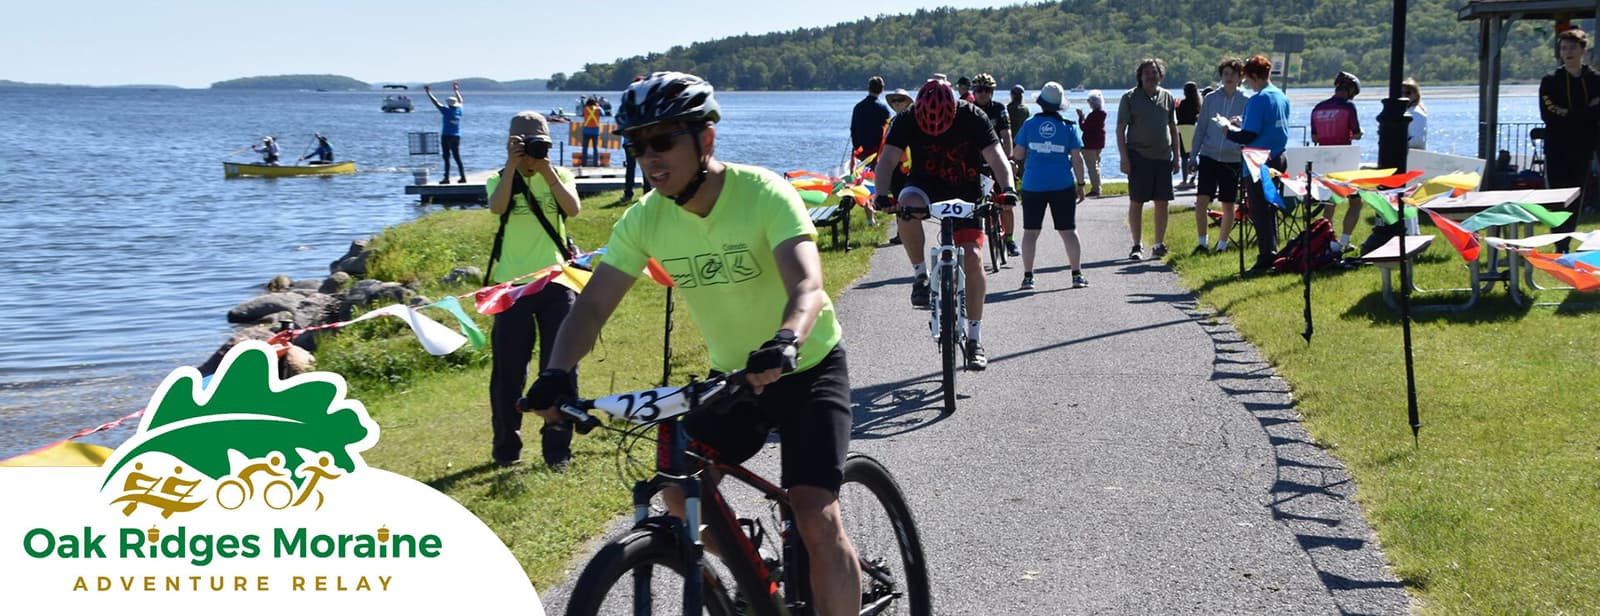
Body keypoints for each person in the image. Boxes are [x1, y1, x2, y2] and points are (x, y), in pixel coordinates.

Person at [521, 71, 862, 615]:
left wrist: (785, 340)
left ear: (706, 139)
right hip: (733, 379)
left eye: (662, 141)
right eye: (636, 145)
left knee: (814, 511)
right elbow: (592, 304)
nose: (649, 157)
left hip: (806, 367)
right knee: (680, 492)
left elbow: (807, 285)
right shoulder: (644, 220)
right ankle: (754, 587)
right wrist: (557, 371)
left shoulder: (763, 193)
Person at [873, 78, 1018, 370]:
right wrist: (881, 195)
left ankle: (975, 339)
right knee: (906, 205)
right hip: (925, 184)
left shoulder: (974, 116)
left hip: (966, 188)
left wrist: (1008, 189)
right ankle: (920, 275)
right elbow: (886, 161)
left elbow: (997, 156)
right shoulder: (905, 119)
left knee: (974, 259)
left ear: (954, 109)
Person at [485, 111, 582, 469]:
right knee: (508, 373)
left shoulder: (560, 176)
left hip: (556, 284)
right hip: (512, 290)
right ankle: (506, 449)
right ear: (510, 145)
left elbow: (573, 209)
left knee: (561, 369)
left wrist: (546, 171)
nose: (531, 152)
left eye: (537, 145)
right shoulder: (499, 178)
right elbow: (497, 208)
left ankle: (558, 450)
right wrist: (512, 167)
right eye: (523, 145)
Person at [1215, 54, 1291, 275]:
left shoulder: (1258, 99)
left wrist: (1227, 130)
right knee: (1270, 208)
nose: (1247, 83)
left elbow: (1248, 135)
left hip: (1259, 161)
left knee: (1259, 211)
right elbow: (1267, 125)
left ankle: (1266, 257)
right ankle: (1273, 251)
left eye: (1248, 78)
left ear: (1256, 76)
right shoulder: (1280, 96)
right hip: (1278, 156)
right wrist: (1243, 122)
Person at [1012, 82, 1089, 290]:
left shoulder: (1029, 124)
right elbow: (1077, 159)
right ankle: (1077, 274)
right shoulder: (1069, 126)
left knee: (1030, 232)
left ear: (1041, 103)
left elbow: (1017, 154)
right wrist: (1081, 184)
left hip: (1033, 184)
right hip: (1062, 184)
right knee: (1068, 231)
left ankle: (1028, 277)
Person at [1540, 27, 1600, 253]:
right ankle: (1559, 243)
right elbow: (1549, 114)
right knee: (1557, 197)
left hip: (1584, 146)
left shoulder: (1595, 80)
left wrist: (1570, 113)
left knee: (1576, 196)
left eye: (1572, 48)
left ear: (1583, 50)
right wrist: (1585, 112)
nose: (1568, 52)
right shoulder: (1550, 81)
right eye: (1564, 48)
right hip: (1557, 147)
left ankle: (1567, 240)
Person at [1117, 58, 1184, 260]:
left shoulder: (1167, 97)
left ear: (1160, 75)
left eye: (1154, 72)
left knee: (1162, 202)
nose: (1151, 76)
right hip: (1138, 156)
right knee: (1136, 201)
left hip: (1163, 157)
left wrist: (1177, 157)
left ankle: (1158, 244)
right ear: (1140, 76)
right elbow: (1120, 129)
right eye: (1147, 72)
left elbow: (1173, 128)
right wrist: (1124, 158)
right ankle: (1137, 245)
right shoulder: (1129, 97)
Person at [1188, 58, 1249, 254]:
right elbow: (1201, 128)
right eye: (1225, 74)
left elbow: (1251, 132)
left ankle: (1222, 244)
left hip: (1232, 158)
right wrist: (1192, 155)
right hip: (1209, 155)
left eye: (1232, 74)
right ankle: (1202, 243)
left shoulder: (1247, 101)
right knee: (1202, 200)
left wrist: (1242, 125)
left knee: (1228, 203)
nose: (1228, 78)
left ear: (1240, 77)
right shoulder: (1211, 99)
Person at [1311, 71, 1365, 251]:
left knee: (1329, 203)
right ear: (1350, 91)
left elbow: (1315, 137)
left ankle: (1326, 240)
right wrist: (1356, 134)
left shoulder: (1318, 108)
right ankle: (1344, 241)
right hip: (1344, 160)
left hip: (1324, 161)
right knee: (1355, 202)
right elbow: (1356, 133)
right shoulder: (1349, 107)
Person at [970, 73, 1021, 257]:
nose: (983, 94)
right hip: (975, 160)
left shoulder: (999, 108)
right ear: (973, 92)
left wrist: (1009, 158)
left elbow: (1006, 134)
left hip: (996, 157)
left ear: (992, 92)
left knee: (1005, 200)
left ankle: (1009, 239)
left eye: (987, 90)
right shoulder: (968, 109)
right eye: (979, 90)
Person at [425, 82, 467, 183]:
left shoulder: (446, 111)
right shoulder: (459, 110)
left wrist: (428, 92)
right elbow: (461, 100)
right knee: (457, 157)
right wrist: (456, 90)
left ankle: (446, 178)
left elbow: (435, 102)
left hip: (446, 136)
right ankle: (463, 177)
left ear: (449, 104)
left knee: (446, 157)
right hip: (456, 136)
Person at [851, 76, 893, 164]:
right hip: (877, 153)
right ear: (882, 89)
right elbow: (889, 132)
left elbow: (853, 130)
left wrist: (857, 148)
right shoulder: (883, 109)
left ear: (869, 88)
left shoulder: (858, 107)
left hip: (861, 151)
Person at [1077, 90, 1107, 197]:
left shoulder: (1094, 115)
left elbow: (1084, 127)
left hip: (1090, 145)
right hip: (1098, 144)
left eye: (1089, 101)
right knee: (1096, 166)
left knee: (1092, 168)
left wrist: (1081, 117)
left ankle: (1096, 189)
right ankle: (1097, 187)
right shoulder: (1101, 114)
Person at [1177, 81, 1202, 188]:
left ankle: (1184, 180)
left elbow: (1178, 117)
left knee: (1184, 157)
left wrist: (1176, 107)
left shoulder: (1182, 103)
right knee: (1193, 156)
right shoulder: (1197, 103)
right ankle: (1193, 178)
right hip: (1192, 129)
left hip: (1183, 130)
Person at [1007, 84, 1030, 183]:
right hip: (1025, 141)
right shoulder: (1025, 109)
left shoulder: (1009, 108)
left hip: (1013, 141)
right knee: (1023, 166)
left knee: (1012, 165)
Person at [1403, 78, 1428, 150]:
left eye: (1408, 93)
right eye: (1401, 92)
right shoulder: (1407, 111)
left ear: (1416, 95)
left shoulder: (1416, 113)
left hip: (1414, 157)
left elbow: (1417, 141)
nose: (1403, 96)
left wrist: (1395, 142)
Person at [580, 97, 603, 167]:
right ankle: (596, 163)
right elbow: (603, 113)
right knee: (595, 148)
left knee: (585, 148)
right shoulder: (598, 109)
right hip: (595, 131)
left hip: (586, 130)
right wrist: (598, 106)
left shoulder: (585, 109)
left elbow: (582, 115)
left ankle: (584, 163)